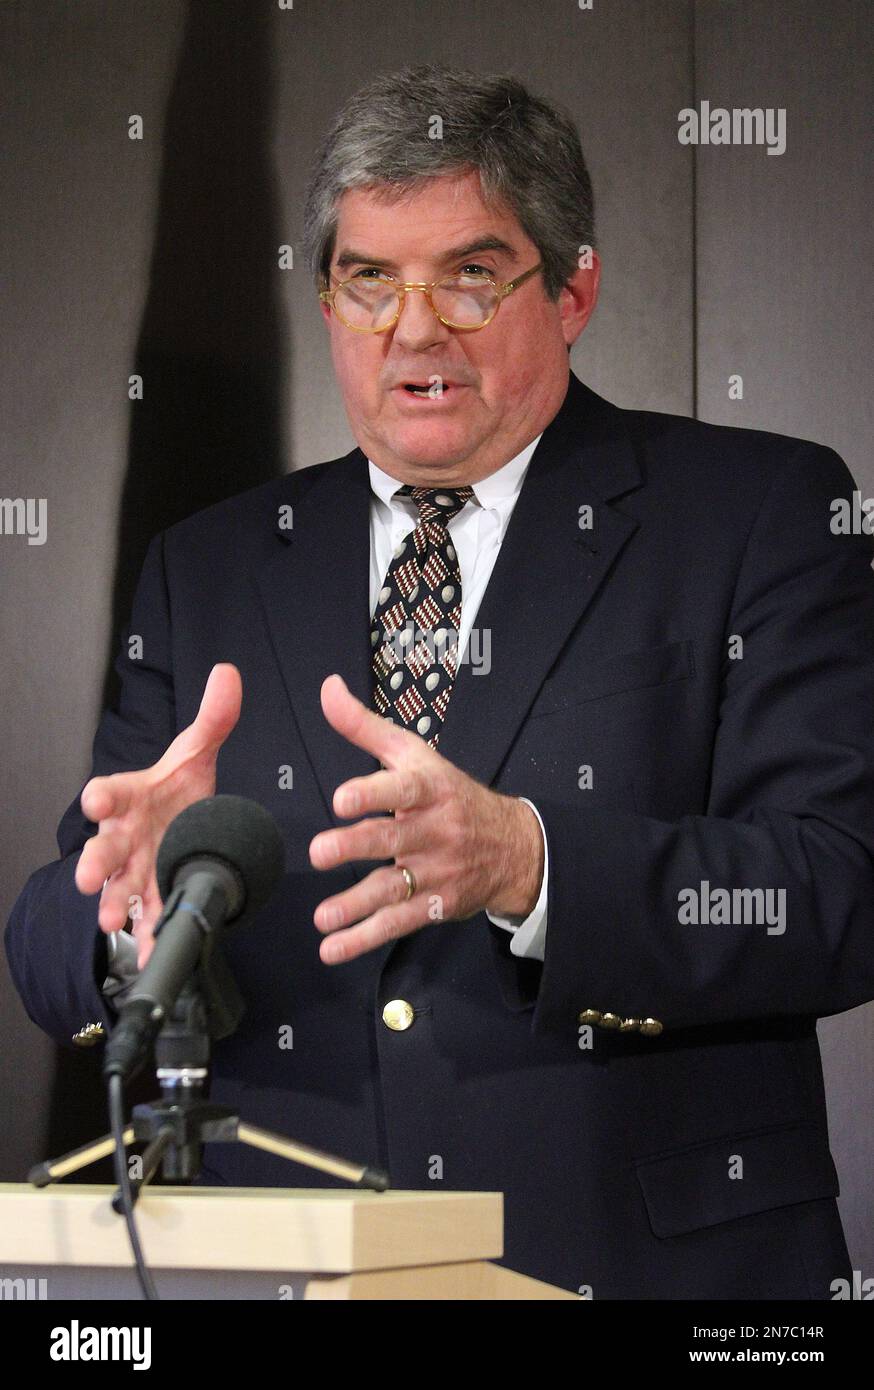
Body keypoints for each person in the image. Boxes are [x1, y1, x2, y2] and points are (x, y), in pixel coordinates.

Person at [7, 64, 874, 1299]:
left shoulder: (757, 513)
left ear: (572, 287)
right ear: (325, 300)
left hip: (638, 1270)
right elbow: (49, 949)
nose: (413, 330)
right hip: (285, 1271)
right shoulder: (207, 568)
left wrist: (532, 862)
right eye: (368, 281)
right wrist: (126, 910)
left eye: (469, 276)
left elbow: (839, 889)